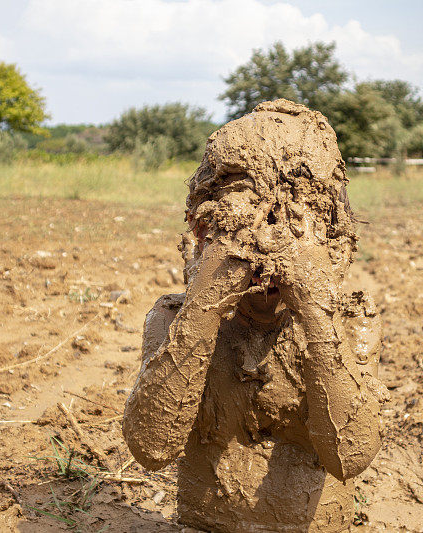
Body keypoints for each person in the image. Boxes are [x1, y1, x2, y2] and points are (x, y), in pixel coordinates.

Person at [123, 99, 386, 532]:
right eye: (241, 215)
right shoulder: (174, 319)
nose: (265, 239)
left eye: (294, 216)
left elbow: (350, 456)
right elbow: (152, 449)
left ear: (337, 245)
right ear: (200, 231)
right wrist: (203, 306)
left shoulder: (350, 321)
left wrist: (315, 312)